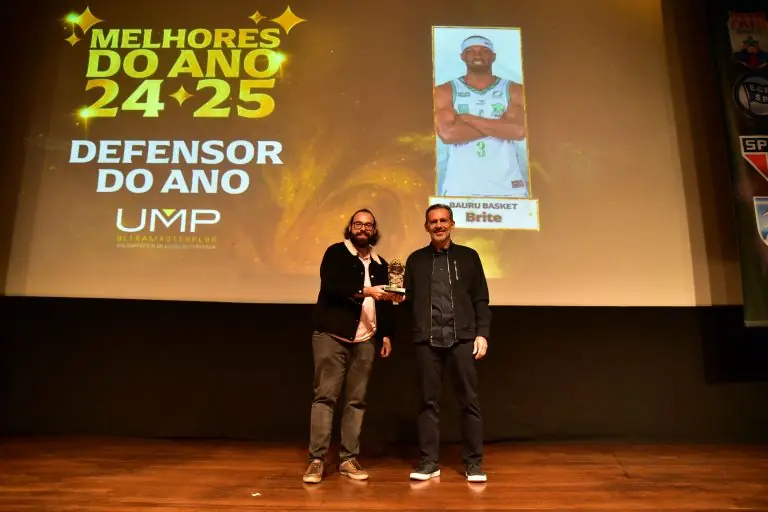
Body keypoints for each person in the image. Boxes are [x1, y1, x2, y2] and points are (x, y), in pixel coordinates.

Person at [303, 208, 397, 484]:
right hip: (332, 336)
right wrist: (366, 291)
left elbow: (385, 304)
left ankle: (348, 459)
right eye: (358, 224)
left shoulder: (381, 264)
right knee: (325, 397)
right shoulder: (336, 253)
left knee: (356, 401)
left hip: (366, 338)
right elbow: (333, 285)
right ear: (350, 227)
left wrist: (386, 334)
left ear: (374, 230)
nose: (363, 228)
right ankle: (317, 460)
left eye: (368, 225)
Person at [403, 203, 490, 483]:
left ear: (452, 224)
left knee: (469, 402)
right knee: (427, 403)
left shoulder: (469, 256)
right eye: (433, 221)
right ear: (426, 227)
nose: (438, 225)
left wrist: (482, 333)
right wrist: (396, 298)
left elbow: (480, 298)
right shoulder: (415, 260)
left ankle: (474, 464)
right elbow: (406, 299)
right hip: (427, 341)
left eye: (443, 220)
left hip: (462, 339)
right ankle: (429, 463)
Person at [435, 34, 528, 198]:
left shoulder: (514, 89)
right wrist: (501, 125)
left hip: (508, 187)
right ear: (462, 57)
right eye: (470, 51)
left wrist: (468, 119)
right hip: (460, 186)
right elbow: (448, 135)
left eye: (484, 51)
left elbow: (519, 131)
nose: (477, 55)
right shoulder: (445, 90)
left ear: (493, 56)